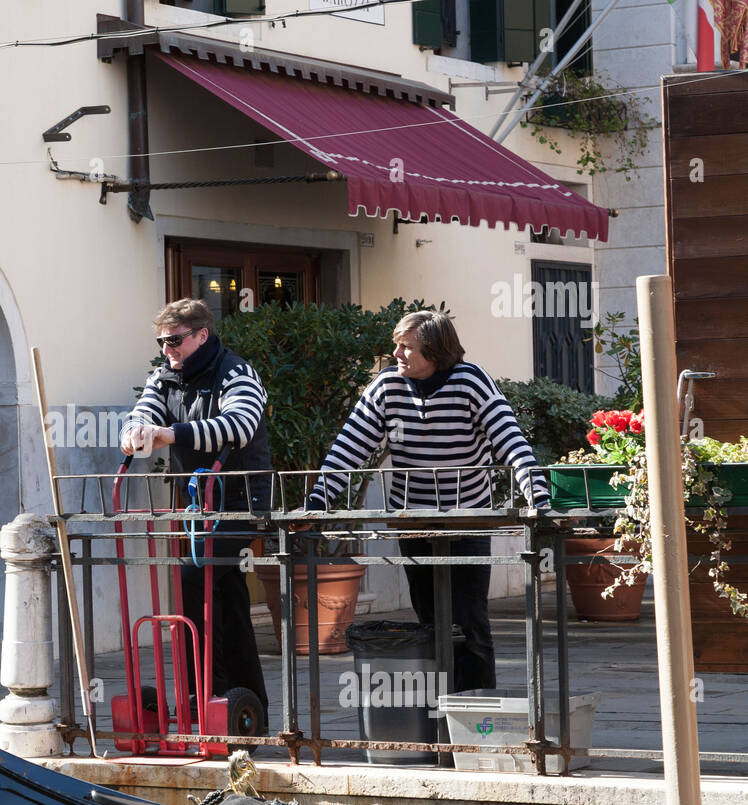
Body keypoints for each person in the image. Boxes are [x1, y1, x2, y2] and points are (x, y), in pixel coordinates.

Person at [307, 309, 548, 691]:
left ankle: (476, 715)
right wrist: (319, 499)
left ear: (434, 351)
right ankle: (437, 710)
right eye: (396, 346)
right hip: (413, 519)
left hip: (467, 518)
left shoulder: (471, 381)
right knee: (429, 620)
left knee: (470, 621)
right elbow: (348, 447)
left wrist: (537, 493)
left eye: (407, 347)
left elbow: (510, 440)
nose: (397, 354)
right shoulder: (386, 386)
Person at [119, 298, 272, 724]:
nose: (167, 349)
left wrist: (169, 433)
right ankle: (245, 705)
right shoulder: (164, 376)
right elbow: (141, 415)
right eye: (161, 341)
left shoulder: (236, 371)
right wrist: (134, 433)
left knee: (194, 573)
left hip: (243, 502)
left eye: (174, 340)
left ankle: (202, 695)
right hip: (199, 504)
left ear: (202, 335)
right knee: (227, 596)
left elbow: (240, 425)